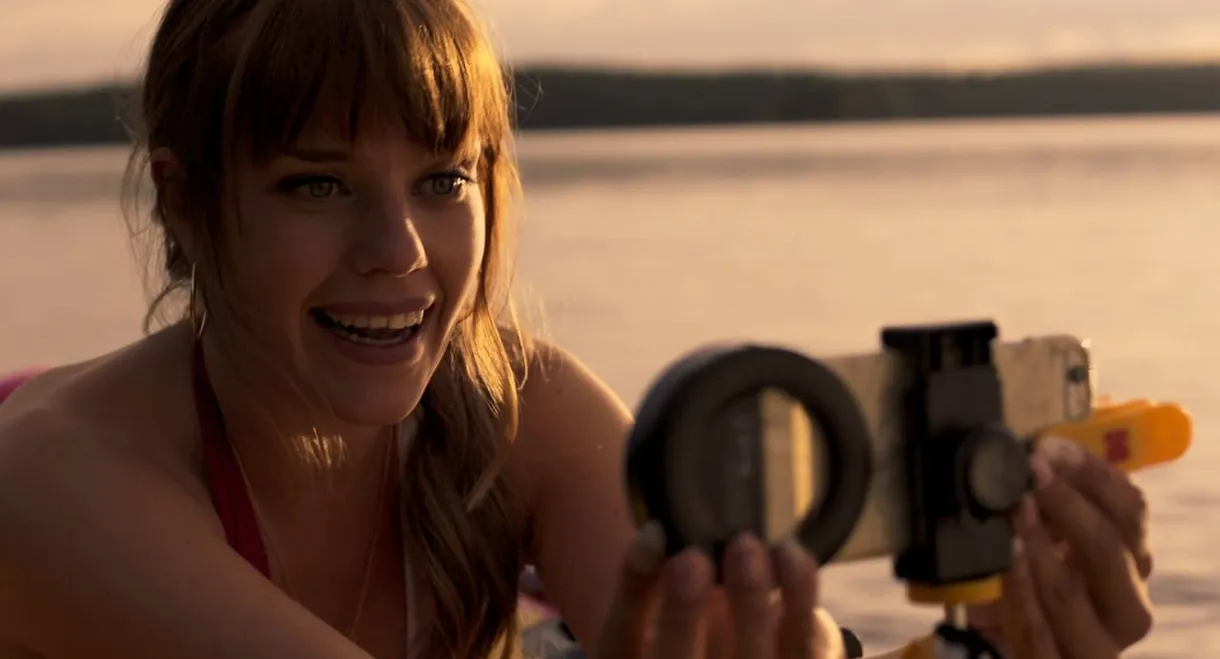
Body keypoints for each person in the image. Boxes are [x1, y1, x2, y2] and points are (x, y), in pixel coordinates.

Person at [0, 0, 1155, 657]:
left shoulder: (517, 406)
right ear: (186, 201)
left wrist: (996, 640)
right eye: (316, 183)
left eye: (444, 180)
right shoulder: (58, 481)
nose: (398, 251)